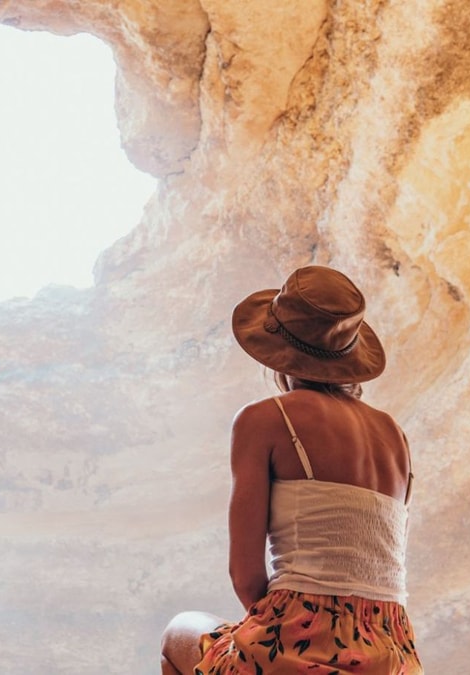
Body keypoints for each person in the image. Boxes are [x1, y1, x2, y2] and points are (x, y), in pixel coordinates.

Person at [161, 265, 422, 674]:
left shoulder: (266, 419)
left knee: (179, 632)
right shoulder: (396, 436)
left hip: (301, 644)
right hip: (392, 657)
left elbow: (246, 578)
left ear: (278, 353)